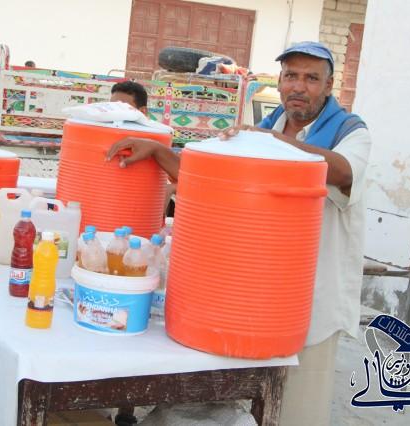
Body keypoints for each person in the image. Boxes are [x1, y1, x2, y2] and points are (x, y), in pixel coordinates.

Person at [106, 41, 371, 425]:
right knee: (245, 400)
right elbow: (216, 183)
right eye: (291, 76)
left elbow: (345, 172)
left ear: (329, 86)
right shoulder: (267, 127)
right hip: (257, 294)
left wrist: (275, 144)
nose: (299, 86)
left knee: (297, 409)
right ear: (279, 82)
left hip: (315, 296)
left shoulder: (349, 131)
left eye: (312, 78)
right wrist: (158, 151)